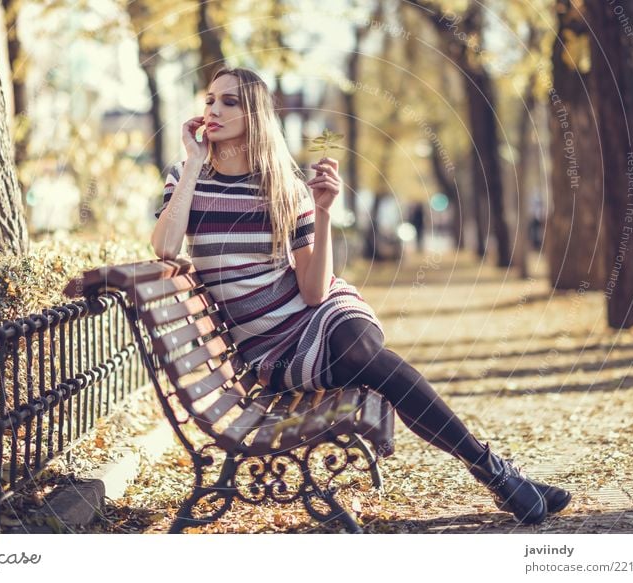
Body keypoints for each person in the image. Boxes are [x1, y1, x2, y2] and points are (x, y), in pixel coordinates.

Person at [150, 66, 571, 526]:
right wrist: (192, 162)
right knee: (373, 363)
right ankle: (498, 473)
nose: (213, 109)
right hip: (270, 350)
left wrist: (324, 213)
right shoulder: (186, 177)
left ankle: (496, 473)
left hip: (319, 314)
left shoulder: (283, 187)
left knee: (363, 351)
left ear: (256, 115)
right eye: (210, 99)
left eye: (229, 101)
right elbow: (165, 247)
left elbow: (313, 292)